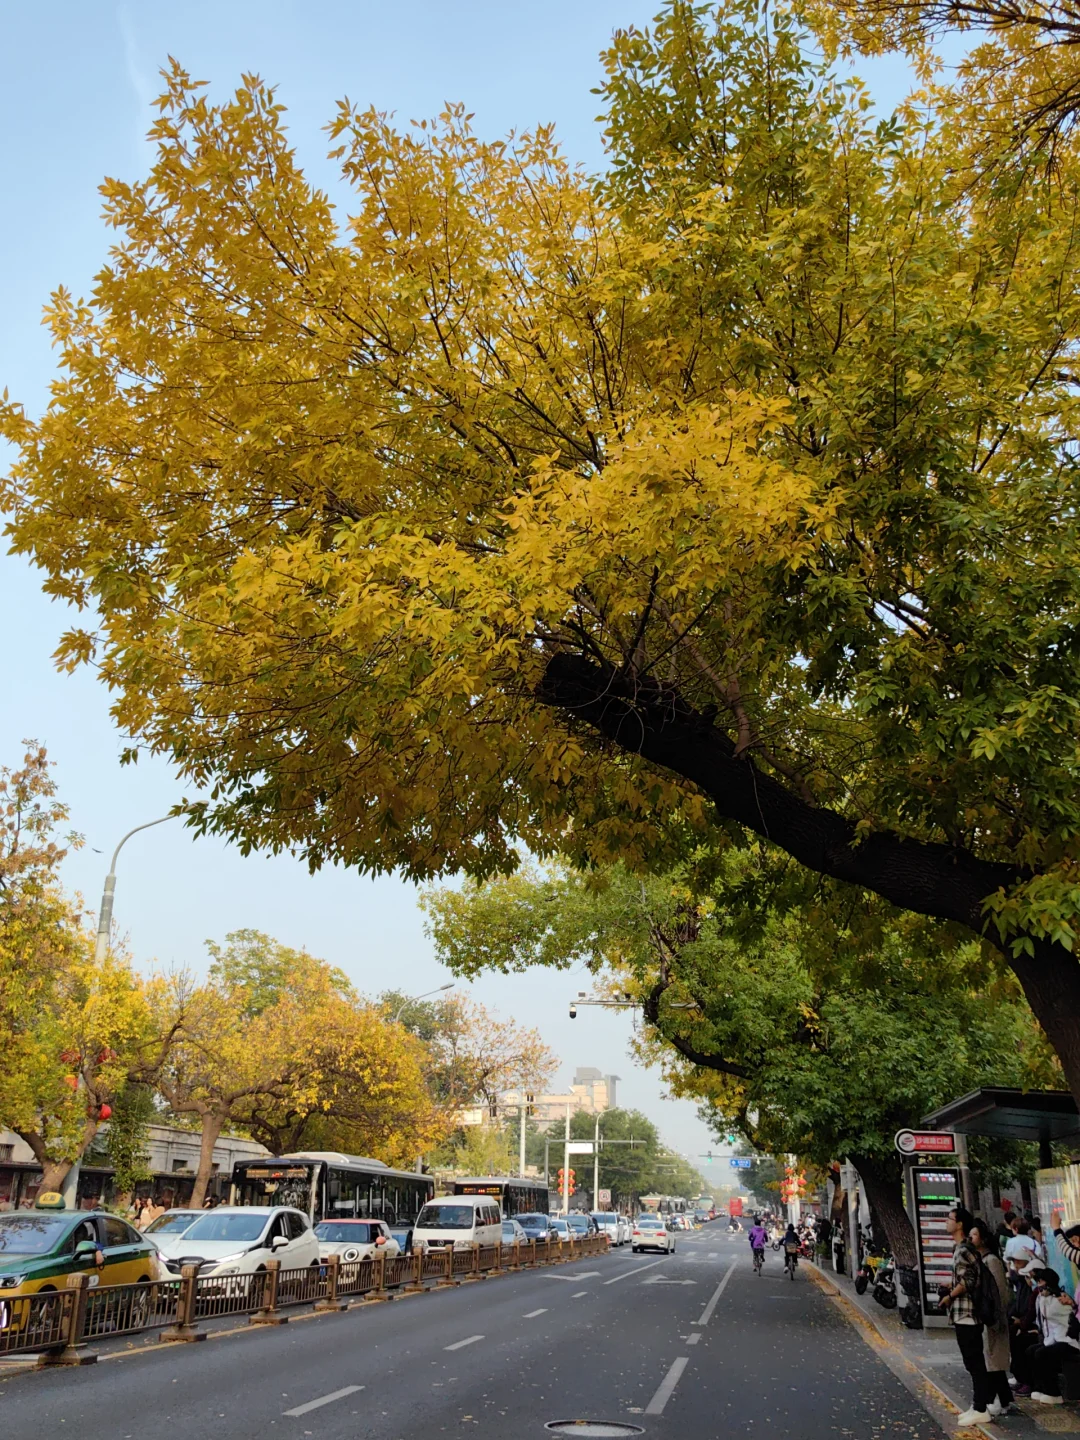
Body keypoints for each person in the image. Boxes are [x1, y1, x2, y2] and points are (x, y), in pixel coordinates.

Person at [938, 1205, 992, 1427]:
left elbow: (969, 1281)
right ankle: (978, 1405)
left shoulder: (963, 1250)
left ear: (959, 1224)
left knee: (974, 1361)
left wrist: (949, 1296)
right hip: (965, 1314)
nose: (946, 1222)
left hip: (967, 1313)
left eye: (950, 1219)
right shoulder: (963, 1248)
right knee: (973, 1361)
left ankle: (981, 1407)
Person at [969, 1218, 1014, 1416]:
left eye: (975, 1235)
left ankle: (997, 1399)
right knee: (991, 1361)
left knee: (994, 1361)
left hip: (993, 1318)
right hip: (984, 1318)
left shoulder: (992, 1261)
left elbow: (1000, 1293)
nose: (971, 1238)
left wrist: (994, 1314)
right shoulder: (979, 1261)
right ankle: (1003, 1399)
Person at [1024, 1265, 1080, 1405]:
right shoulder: (1046, 1299)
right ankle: (1039, 1388)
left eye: (1041, 1282)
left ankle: (1053, 1392)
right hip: (1054, 1339)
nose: (1039, 1286)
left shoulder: (1059, 1301)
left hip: (1068, 1341)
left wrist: (1068, 1302)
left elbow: (1066, 1317)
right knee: (1032, 1350)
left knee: (1042, 1354)